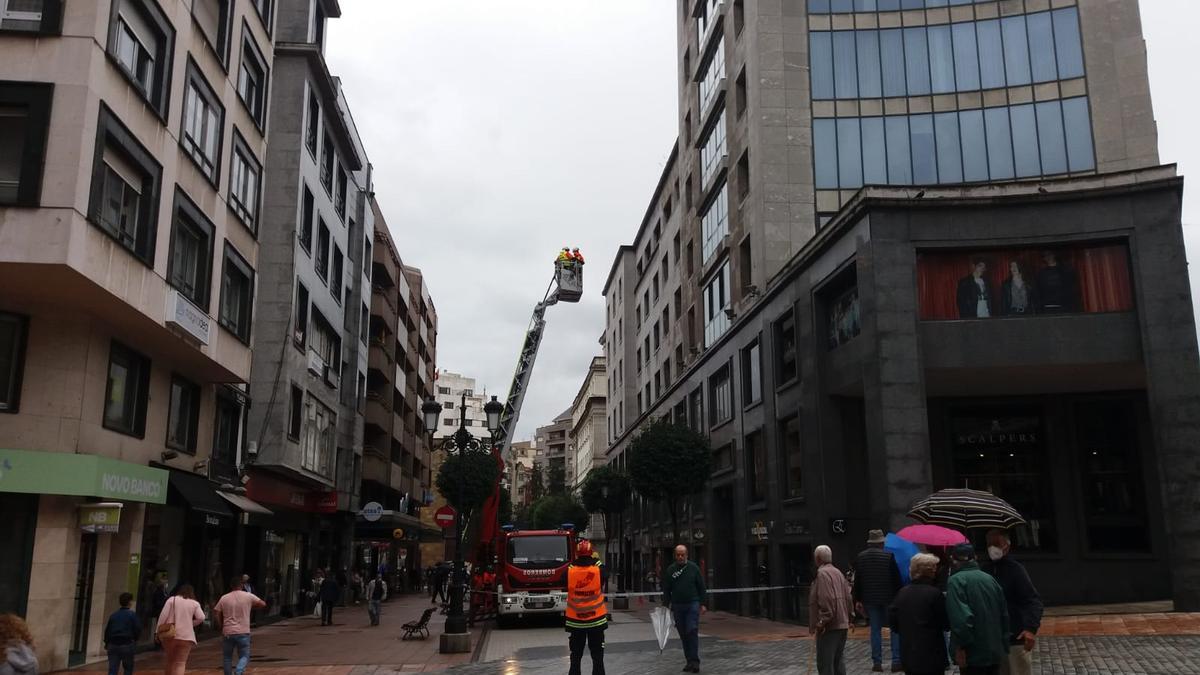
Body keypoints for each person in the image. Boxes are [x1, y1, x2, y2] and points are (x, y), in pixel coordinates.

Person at [984, 530, 1043, 675]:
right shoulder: (984, 569)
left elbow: (1032, 600)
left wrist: (1030, 628)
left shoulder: (1015, 569)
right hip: (993, 638)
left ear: (1007, 546)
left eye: (996, 544)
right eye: (989, 544)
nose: (992, 548)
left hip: (1015, 635)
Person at [946, 544, 1009, 675]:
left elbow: (961, 621)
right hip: (994, 650)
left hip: (973, 653)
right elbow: (1004, 614)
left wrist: (961, 647)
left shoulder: (956, 581)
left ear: (954, 559)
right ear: (975, 557)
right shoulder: (989, 579)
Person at [889, 554, 949, 675]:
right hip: (932, 653)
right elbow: (945, 623)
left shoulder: (902, 593)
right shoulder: (935, 594)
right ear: (929, 572)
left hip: (908, 652)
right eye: (933, 569)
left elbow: (893, 623)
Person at [854, 529, 903, 672]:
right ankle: (896, 661)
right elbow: (896, 580)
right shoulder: (889, 556)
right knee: (894, 629)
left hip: (870, 599)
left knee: (875, 630)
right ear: (882, 543)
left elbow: (858, 580)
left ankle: (877, 662)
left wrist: (858, 599)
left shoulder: (861, 557)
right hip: (889, 598)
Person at [565, 539, 607, 675]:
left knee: (575, 657)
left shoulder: (570, 570)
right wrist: (596, 560)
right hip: (596, 620)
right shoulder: (598, 569)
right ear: (591, 553)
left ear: (577, 554)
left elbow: (562, 579)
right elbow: (604, 573)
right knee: (598, 657)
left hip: (575, 622)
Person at [808, 545, 852, 675]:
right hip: (842, 622)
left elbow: (826, 599)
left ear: (818, 558)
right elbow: (848, 596)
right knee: (838, 661)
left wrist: (822, 621)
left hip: (830, 626)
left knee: (825, 663)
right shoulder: (838, 572)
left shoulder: (822, 574)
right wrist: (850, 616)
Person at [662, 544, 706, 673]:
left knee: (691, 630)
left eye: (683, 554)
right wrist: (666, 605)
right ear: (675, 556)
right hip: (677, 605)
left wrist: (703, 603)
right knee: (683, 634)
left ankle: (695, 661)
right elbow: (667, 589)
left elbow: (701, 586)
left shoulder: (694, 568)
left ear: (687, 555)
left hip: (692, 603)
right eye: (678, 555)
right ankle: (689, 661)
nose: (680, 557)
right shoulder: (671, 570)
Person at [212, 577, 266, 675]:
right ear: (242, 586)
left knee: (227, 657)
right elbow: (262, 604)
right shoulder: (248, 596)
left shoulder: (224, 597)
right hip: (243, 631)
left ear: (231, 586)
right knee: (244, 655)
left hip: (227, 631)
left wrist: (221, 625)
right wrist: (251, 607)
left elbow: (216, 612)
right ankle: (239, 671)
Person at [156, 584, 205, 675]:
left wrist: (157, 632)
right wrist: (190, 624)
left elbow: (162, 617)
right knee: (180, 663)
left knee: (170, 660)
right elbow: (201, 617)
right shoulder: (195, 603)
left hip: (170, 634)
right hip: (186, 636)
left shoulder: (171, 600)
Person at [104, 592, 141, 675]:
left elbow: (108, 631)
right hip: (127, 644)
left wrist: (107, 643)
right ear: (130, 602)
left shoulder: (113, 615)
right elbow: (137, 629)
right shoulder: (132, 615)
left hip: (113, 644)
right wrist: (135, 640)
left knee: (112, 669)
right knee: (128, 669)